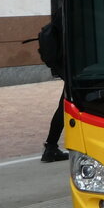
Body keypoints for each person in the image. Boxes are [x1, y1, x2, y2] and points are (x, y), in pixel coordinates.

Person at [36, 18, 68, 162]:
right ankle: (51, 148)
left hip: (63, 64)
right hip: (72, 65)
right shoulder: (77, 6)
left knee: (65, 104)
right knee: (65, 105)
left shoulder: (62, 11)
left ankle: (51, 147)